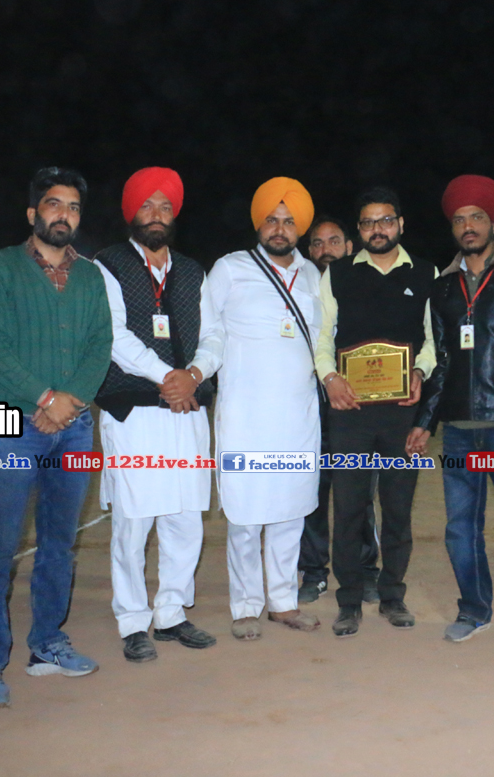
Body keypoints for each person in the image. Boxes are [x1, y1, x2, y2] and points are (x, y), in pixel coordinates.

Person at [0, 167, 113, 709]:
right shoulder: (0, 267)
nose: (64, 214)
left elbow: (100, 345)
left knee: (59, 543)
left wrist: (69, 401)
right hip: (13, 428)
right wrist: (44, 398)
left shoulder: (90, 276)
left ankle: (47, 643)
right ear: (33, 213)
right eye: (54, 204)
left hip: (74, 431)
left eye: (73, 207)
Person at [408, 174, 494, 644]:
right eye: (459, 219)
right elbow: (442, 361)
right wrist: (425, 422)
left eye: (476, 217)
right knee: (459, 529)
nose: (468, 226)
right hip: (459, 432)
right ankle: (473, 609)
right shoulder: (443, 289)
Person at [94, 168, 219, 663]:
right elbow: (113, 335)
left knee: (185, 516)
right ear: (131, 213)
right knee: (134, 520)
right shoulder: (108, 264)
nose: (157, 214)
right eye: (147, 205)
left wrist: (194, 374)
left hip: (187, 410)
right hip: (135, 413)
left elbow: (215, 335)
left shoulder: (192, 271)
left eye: (165, 206)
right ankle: (132, 619)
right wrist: (168, 377)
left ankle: (170, 612)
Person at [206, 178, 323, 640]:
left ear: (300, 228)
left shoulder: (313, 276)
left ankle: (283, 602)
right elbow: (207, 332)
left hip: (297, 415)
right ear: (259, 223)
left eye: (289, 221)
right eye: (272, 219)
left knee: (290, 511)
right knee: (246, 513)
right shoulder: (230, 268)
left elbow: (325, 340)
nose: (280, 228)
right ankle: (245, 606)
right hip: (245, 416)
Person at [317, 186, 437, 637]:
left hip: (401, 413)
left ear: (400, 224)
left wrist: (420, 372)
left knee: (398, 509)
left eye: (386, 220)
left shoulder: (425, 272)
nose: (377, 229)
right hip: (349, 411)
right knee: (349, 508)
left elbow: (433, 340)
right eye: (368, 222)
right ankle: (349, 601)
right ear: (359, 229)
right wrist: (330, 378)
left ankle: (392, 596)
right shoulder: (338, 274)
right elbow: (321, 336)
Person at [298, 214, 381, 604]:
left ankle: (365, 571)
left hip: (354, 405)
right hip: (308, 408)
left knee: (358, 494)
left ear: (350, 246)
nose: (325, 249)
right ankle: (314, 572)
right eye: (317, 243)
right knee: (310, 494)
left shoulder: (366, 284)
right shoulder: (297, 288)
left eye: (334, 241)